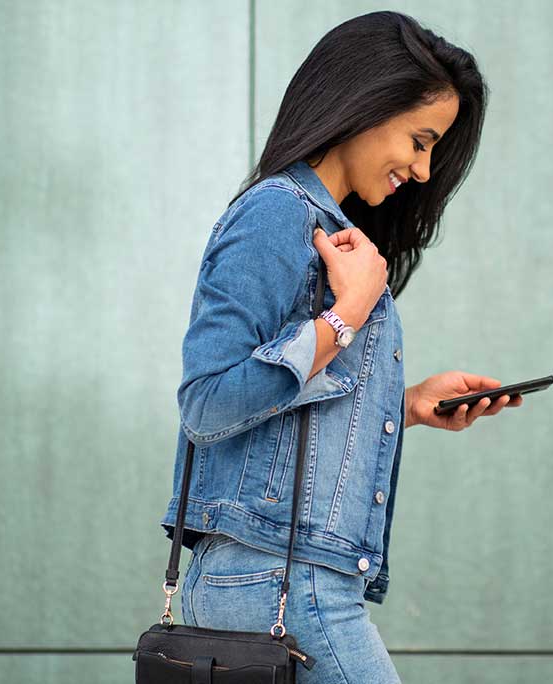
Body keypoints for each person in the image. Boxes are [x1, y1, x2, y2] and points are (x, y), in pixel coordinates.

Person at [159, 11, 521, 683]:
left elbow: (280, 409)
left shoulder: (326, 226)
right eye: (419, 140)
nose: (422, 168)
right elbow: (207, 405)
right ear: (365, 103)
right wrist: (347, 313)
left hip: (285, 578)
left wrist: (404, 403)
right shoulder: (278, 213)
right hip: (280, 581)